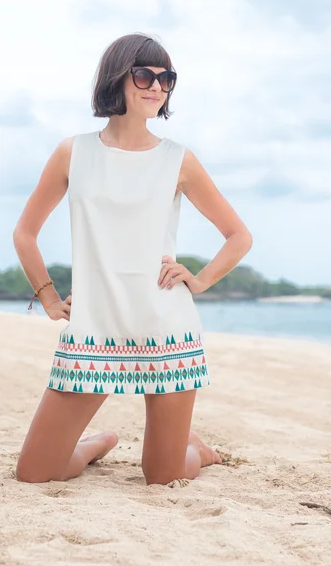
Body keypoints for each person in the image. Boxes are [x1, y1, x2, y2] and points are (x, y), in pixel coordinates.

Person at [13, 33, 252, 485]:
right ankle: (97, 442)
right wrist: (46, 297)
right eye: (145, 74)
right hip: (94, 330)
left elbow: (239, 236)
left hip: (166, 329)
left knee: (162, 477)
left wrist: (198, 281)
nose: (157, 86)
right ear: (117, 79)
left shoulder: (178, 159)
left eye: (167, 79)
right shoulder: (73, 152)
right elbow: (25, 234)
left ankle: (192, 448)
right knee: (34, 474)